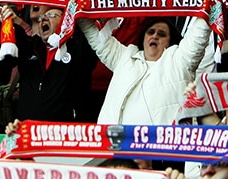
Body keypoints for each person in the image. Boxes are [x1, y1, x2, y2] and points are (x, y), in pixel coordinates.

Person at [78, 15, 210, 124]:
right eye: (150, 32)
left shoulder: (179, 61)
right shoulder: (124, 56)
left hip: (161, 150)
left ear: (170, 42)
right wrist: (80, 6)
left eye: (162, 34)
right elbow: (96, 35)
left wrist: (208, 5)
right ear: (143, 38)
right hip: (114, 147)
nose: (155, 36)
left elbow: (198, 38)